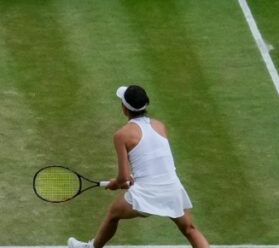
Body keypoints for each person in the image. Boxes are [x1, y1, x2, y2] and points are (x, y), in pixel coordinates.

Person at [67, 86, 210, 248]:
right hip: (172, 189)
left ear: (124, 109)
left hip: (146, 194)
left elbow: (123, 178)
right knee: (190, 229)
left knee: (113, 214)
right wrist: (131, 179)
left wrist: (116, 183)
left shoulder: (122, 135)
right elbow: (155, 162)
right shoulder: (160, 126)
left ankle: (92, 247)